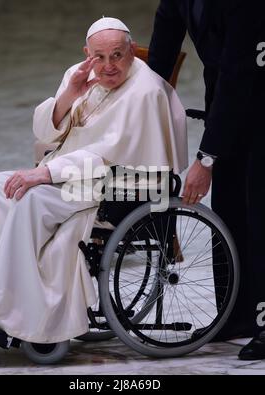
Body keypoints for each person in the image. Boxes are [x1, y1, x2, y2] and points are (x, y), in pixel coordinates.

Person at [0, 17, 188, 346]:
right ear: (87, 53)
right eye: (99, 56)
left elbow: (112, 155)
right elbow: (46, 134)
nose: (109, 66)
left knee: (32, 199)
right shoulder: (78, 74)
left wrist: (45, 174)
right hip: (72, 176)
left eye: (117, 55)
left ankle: (15, 314)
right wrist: (70, 95)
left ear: (132, 52)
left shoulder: (147, 90)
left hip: (115, 186)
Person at [149, 0, 265, 359]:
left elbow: (237, 71)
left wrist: (206, 157)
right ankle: (235, 315)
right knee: (229, 208)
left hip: (258, 93)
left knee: (260, 214)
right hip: (226, 101)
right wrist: (138, 105)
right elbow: (163, 50)